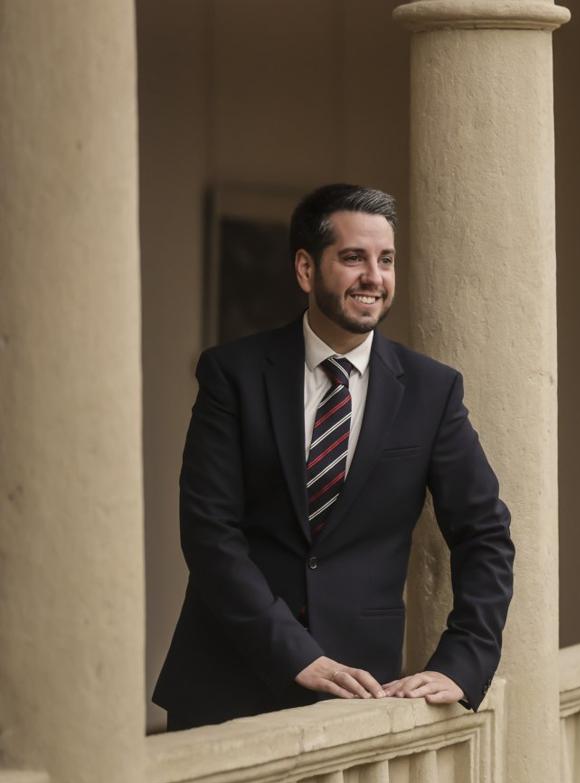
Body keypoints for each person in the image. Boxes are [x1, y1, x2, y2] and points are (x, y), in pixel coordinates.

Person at [153, 183, 514, 731]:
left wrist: (463, 660)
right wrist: (296, 653)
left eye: (386, 260)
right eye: (354, 258)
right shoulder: (234, 375)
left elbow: (484, 532)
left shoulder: (431, 391)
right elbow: (209, 533)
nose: (374, 276)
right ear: (305, 269)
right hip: (225, 680)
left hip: (361, 691)